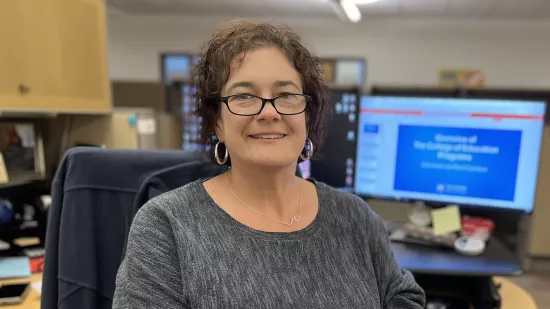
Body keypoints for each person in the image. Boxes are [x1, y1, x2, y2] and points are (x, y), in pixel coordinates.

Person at [113, 20, 425, 308]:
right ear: (216, 122)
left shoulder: (355, 216)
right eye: (244, 96)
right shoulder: (166, 226)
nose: (269, 112)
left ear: (306, 115)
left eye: (286, 95)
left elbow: (403, 296)